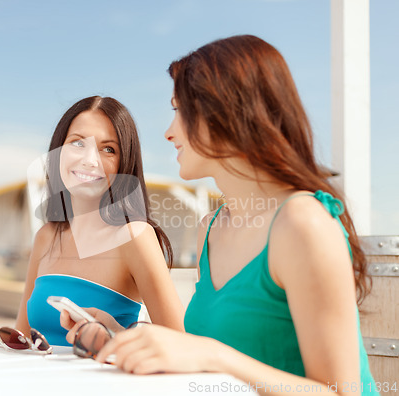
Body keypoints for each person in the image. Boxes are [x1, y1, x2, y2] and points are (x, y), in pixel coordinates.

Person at [72, 36, 377, 394]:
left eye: (179, 110)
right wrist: (121, 336)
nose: (169, 133)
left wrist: (216, 357)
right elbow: (200, 356)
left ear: (227, 111)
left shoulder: (303, 224)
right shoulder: (211, 229)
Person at [15, 96, 185, 346]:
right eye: (77, 143)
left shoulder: (134, 236)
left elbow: (182, 344)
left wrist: (116, 334)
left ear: (124, 163)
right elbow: (21, 337)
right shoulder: (46, 236)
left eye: (108, 149)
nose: (90, 160)